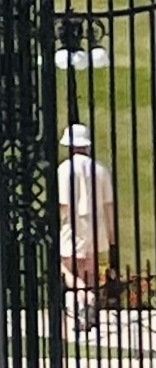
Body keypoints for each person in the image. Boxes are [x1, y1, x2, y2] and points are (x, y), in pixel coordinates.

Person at [56, 124, 118, 331]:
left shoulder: (64, 169)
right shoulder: (100, 169)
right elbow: (109, 204)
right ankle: (87, 305)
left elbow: (64, 204)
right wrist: (111, 234)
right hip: (97, 224)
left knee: (65, 267)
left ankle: (87, 297)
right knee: (89, 268)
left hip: (74, 224)